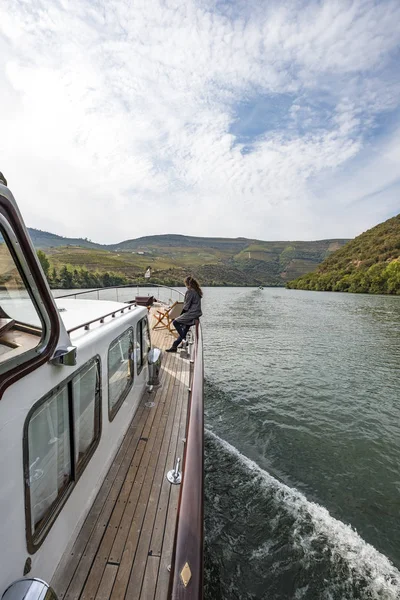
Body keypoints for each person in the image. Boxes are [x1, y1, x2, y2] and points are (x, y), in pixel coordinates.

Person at [166, 276, 202, 352]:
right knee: (185, 330)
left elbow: (186, 306)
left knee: (175, 322)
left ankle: (184, 339)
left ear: (187, 284)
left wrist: (181, 315)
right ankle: (174, 346)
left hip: (192, 313)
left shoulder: (190, 291)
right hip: (196, 313)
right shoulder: (196, 291)